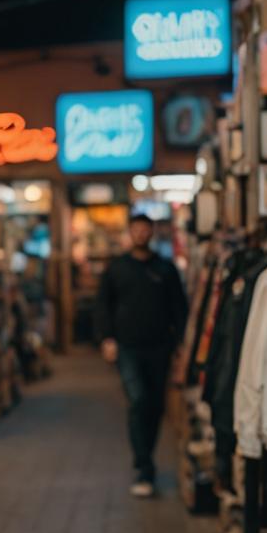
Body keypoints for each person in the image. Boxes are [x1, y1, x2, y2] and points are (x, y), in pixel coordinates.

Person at [96, 212, 187, 498]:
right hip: (127, 346)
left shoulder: (166, 268)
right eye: (135, 229)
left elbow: (179, 308)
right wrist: (106, 338)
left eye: (144, 230)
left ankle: (146, 455)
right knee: (138, 400)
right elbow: (103, 305)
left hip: (160, 346)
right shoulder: (117, 268)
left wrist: (181, 345)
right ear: (129, 233)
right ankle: (144, 466)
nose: (140, 234)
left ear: (151, 233)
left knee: (155, 406)